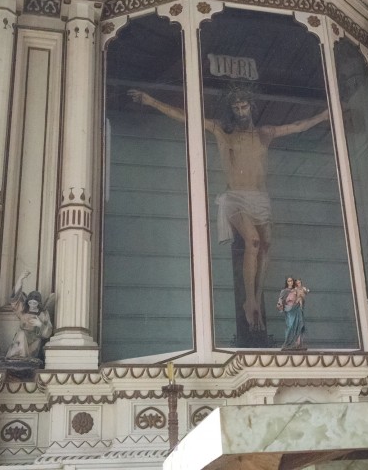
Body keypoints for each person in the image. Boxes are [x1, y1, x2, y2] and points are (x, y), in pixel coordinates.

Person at [128, 83, 329, 332]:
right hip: (235, 197)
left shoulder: (265, 132)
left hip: (260, 197)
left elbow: (298, 126)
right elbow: (188, 117)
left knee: (265, 246)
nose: (241, 111)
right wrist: (152, 101)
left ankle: (255, 296)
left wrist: (324, 115)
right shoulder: (223, 131)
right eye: (236, 107)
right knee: (252, 242)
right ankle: (250, 300)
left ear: (251, 108)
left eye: (244, 106)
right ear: (231, 110)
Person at [4, 271, 56, 361]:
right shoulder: (23, 310)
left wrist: (40, 324)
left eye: (35, 302)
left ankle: (26, 358)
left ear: (39, 303)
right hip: (21, 340)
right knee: (21, 333)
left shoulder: (43, 314)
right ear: (27, 301)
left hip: (34, 342)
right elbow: (14, 301)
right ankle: (17, 357)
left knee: (34, 341)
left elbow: (48, 332)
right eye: (30, 301)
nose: (32, 303)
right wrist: (20, 280)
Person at [276, 276, 306, 350]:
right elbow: (280, 300)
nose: (290, 282)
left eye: (291, 281)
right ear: (286, 282)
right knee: (290, 325)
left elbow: (302, 296)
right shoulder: (284, 291)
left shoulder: (296, 289)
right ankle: (288, 343)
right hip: (289, 310)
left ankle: (297, 344)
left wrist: (300, 299)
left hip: (297, 309)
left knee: (299, 324)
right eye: (289, 281)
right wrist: (280, 305)